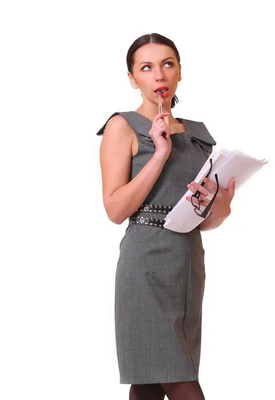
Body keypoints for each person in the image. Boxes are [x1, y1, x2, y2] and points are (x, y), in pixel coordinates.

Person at [95, 33, 236, 400]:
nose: (159, 74)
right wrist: (158, 154)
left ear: (178, 73)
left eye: (167, 64)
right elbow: (115, 208)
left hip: (188, 262)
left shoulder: (198, 135)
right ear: (132, 78)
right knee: (177, 378)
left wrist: (221, 201)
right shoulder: (122, 126)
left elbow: (208, 220)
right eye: (146, 67)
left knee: (151, 380)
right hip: (144, 264)